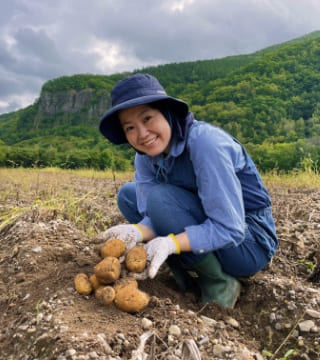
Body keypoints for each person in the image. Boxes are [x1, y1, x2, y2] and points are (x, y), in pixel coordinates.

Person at [98, 73, 278, 308]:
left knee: (161, 198)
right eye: (130, 127)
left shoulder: (206, 144)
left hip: (248, 242)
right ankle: (182, 265)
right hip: (205, 219)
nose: (142, 134)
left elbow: (230, 228)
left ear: (168, 112)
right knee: (128, 195)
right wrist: (137, 232)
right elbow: (152, 215)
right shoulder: (145, 157)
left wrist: (171, 243)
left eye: (148, 118)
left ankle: (217, 282)